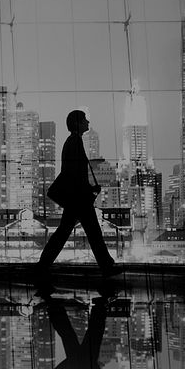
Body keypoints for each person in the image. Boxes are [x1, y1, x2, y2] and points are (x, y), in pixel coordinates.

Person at [36, 110, 120, 278]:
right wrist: (89, 190)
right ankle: (106, 266)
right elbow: (74, 173)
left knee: (66, 232)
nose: (87, 122)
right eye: (84, 120)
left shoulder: (73, 141)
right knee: (92, 233)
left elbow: (71, 172)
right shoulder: (75, 141)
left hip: (77, 197)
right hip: (79, 198)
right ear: (78, 123)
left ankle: (43, 265)